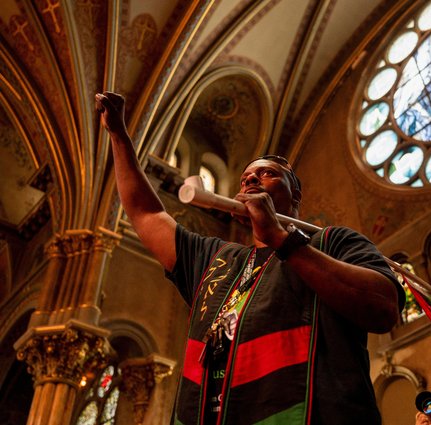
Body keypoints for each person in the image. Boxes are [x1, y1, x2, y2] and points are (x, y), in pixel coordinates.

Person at [95, 92, 405, 424]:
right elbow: (145, 213)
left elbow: (383, 308)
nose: (251, 179)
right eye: (245, 178)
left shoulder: (333, 241)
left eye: (267, 174)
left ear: (295, 193)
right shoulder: (216, 259)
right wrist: (119, 135)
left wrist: (281, 241)